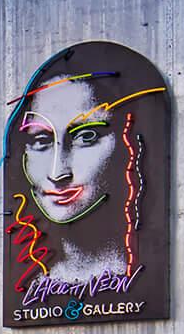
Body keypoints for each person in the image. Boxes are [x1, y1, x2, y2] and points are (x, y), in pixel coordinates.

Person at [15, 71, 139, 287]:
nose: (58, 173)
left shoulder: (141, 270)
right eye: (41, 139)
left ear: (125, 140)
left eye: (86, 136)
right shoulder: (31, 277)